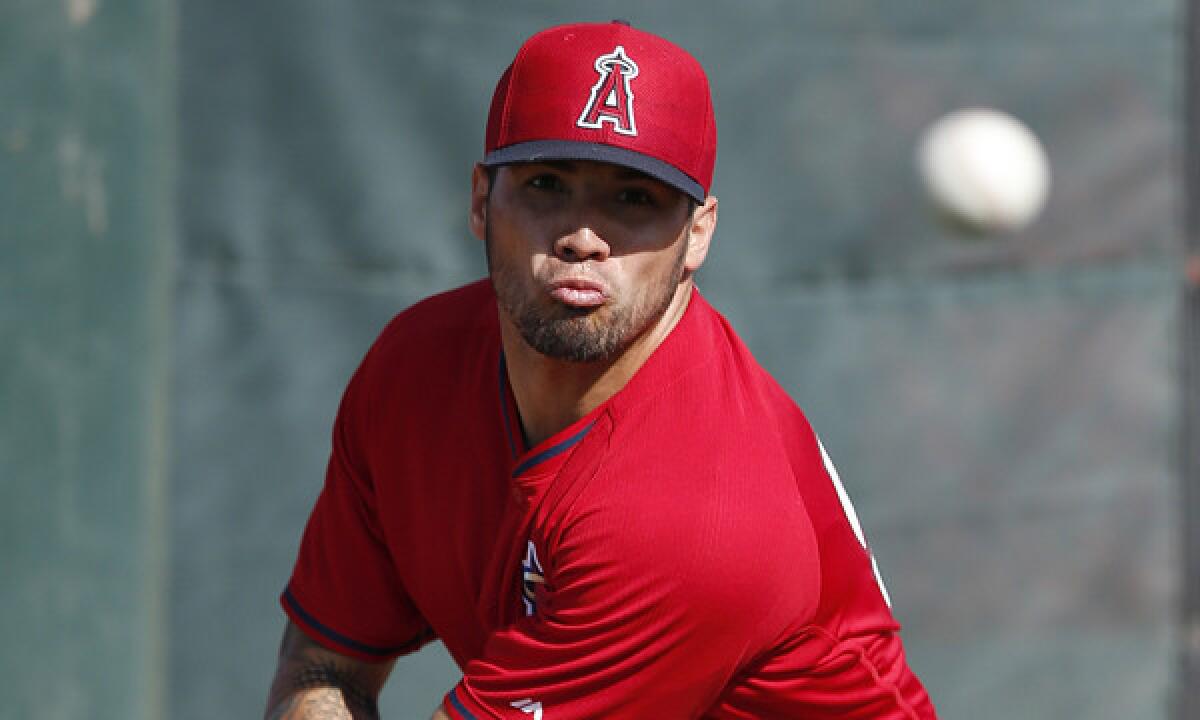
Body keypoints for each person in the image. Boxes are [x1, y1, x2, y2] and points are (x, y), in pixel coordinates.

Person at [265, 20, 937, 720]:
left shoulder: (697, 513)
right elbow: (319, 664)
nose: (584, 236)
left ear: (699, 232)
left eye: (633, 198)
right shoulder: (414, 376)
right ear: (479, 200)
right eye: (547, 183)